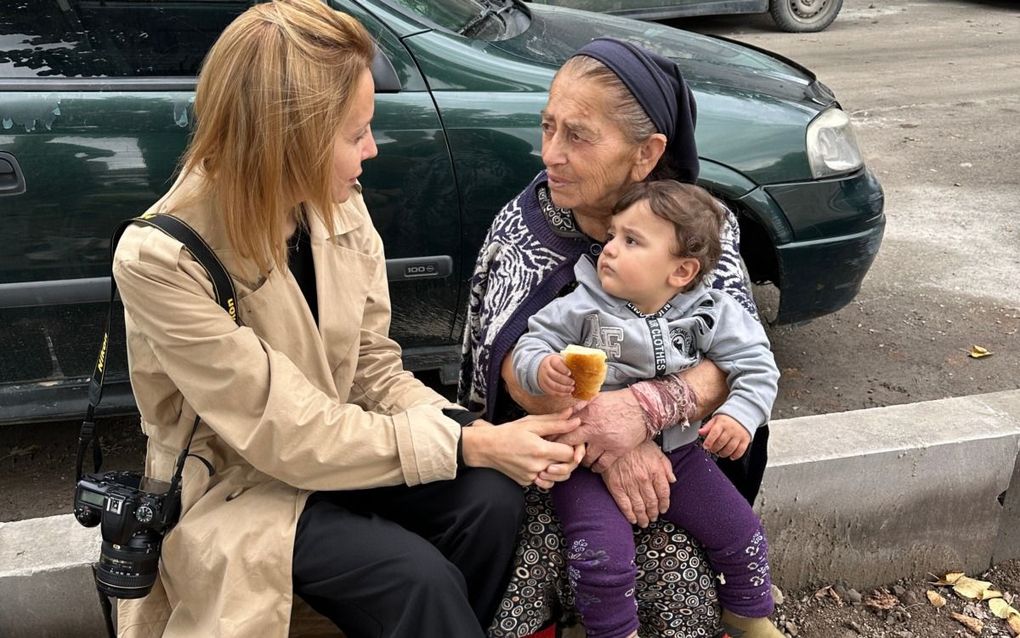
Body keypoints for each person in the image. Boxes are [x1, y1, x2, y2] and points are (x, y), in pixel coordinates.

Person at [110, 2, 583, 637]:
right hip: (241, 484)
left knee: (492, 500)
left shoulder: (337, 205)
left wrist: (480, 435)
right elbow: (284, 435)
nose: (373, 148)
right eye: (355, 132)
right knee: (414, 577)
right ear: (289, 140)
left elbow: (370, 367)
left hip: (343, 449)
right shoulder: (163, 258)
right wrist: (471, 442)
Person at [460, 38, 771, 637]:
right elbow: (505, 376)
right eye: (547, 127)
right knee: (555, 564)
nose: (550, 153)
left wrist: (644, 410)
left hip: (677, 457)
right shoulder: (522, 228)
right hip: (549, 461)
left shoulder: (701, 226)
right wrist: (615, 441)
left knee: (688, 581)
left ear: (646, 153)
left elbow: (735, 358)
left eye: (578, 135)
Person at [513, 180, 783, 638]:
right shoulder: (581, 304)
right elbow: (528, 343)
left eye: (631, 241)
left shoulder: (710, 313)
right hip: (581, 461)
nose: (610, 250)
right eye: (613, 235)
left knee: (742, 533)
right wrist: (541, 367)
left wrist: (740, 414)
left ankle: (747, 613)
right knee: (601, 556)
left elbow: (757, 365)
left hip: (679, 453)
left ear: (681, 271)